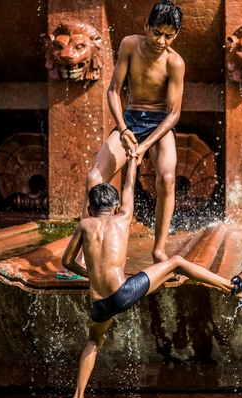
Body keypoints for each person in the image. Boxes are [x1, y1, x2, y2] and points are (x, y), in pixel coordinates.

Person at [56, 153, 242, 398]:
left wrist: (87, 275)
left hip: (100, 304)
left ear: (91, 210)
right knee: (174, 261)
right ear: (115, 207)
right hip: (124, 293)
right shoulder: (123, 217)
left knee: (93, 340)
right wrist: (132, 163)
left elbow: (66, 262)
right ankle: (235, 285)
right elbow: (129, 188)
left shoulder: (84, 224)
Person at [57, 0, 186, 279]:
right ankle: (82, 251)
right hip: (129, 121)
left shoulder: (175, 63)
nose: (161, 40)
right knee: (93, 177)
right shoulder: (129, 45)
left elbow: (174, 114)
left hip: (159, 126)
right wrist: (124, 130)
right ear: (146, 27)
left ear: (176, 36)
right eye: (156, 32)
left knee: (166, 178)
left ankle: (159, 249)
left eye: (168, 35)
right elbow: (114, 91)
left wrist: (146, 145)